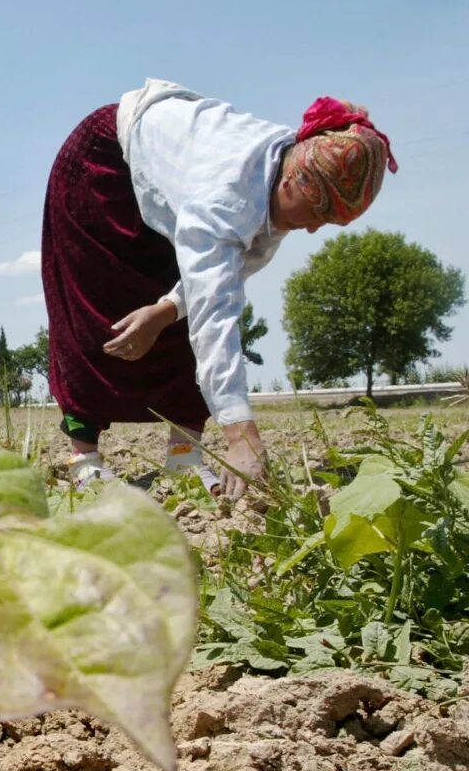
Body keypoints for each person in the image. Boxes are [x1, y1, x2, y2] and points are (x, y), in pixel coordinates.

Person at [41, 80, 397, 496]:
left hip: (176, 185)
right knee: (96, 310)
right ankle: (83, 457)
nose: (315, 228)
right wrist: (241, 436)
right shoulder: (226, 197)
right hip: (101, 166)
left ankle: (183, 458)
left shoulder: (285, 174)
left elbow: (227, 276)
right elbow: (215, 315)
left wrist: (166, 308)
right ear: (291, 184)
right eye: (318, 213)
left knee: (170, 322)